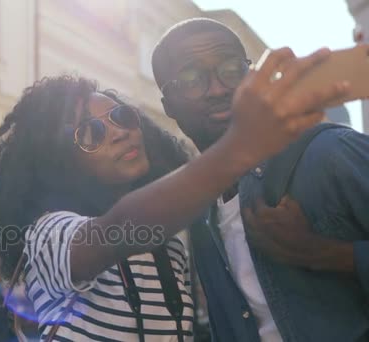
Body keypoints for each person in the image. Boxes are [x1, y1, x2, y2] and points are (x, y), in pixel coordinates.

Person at [0, 57, 348, 340]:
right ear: (58, 162)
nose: (119, 133)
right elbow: (121, 229)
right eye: (92, 132)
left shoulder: (171, 238)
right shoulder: (47, 234)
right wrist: (240, 144)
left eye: (121, 116)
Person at [151, 18, 369, 342]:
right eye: (192, 78)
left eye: (230, 69)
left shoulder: (330, 152)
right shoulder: (199, 214)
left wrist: (326, 253)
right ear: (168, 105)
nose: (219, 89)